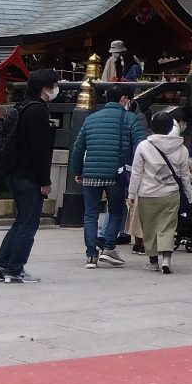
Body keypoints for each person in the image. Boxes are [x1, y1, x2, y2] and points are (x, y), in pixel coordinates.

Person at [0, 68, 62, 283]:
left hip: (13, 172)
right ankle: (15, 268)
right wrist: (45, 181)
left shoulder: (22, 107)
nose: (56, 89)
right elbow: (39, 150)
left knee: (20, 221)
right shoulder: (38, 111)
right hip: (29, 176)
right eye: (54, 85)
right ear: (44, 89)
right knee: (29, 224)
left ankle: (1, 263)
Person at [71, 83, 142, 269]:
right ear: (124, 99)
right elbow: (141, 146)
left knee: (90, 214)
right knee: (117, 210)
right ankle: (109, 248)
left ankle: (91, 255)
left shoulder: (91, 119)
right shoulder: (130, 119)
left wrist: (78, 171)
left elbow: (78, 147)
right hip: (116, 174)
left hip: (91, 174)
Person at [127, 106, 190, 273]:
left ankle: (153, 261)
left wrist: (131, 194)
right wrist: (189, 196)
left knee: (149, 228)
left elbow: (136, 173)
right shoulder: (181, 148)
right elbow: (185, 176)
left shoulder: (144, 146)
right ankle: (167, 258)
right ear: (171, 127)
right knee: (168, 227)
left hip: (147, 193)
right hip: (171, 193)